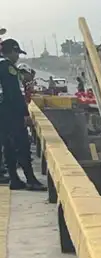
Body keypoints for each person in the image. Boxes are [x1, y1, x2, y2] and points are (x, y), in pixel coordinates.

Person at [0, 39, 43, 191]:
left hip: (2, 114)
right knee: (22, 146)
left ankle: (14, 179)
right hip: (11, 113)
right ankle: (31, 180)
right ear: (12, 51)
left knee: (8, 147)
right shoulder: (8, 67)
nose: (17, 57)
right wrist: (25, 114)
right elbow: (14, 94)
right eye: (17, 53)